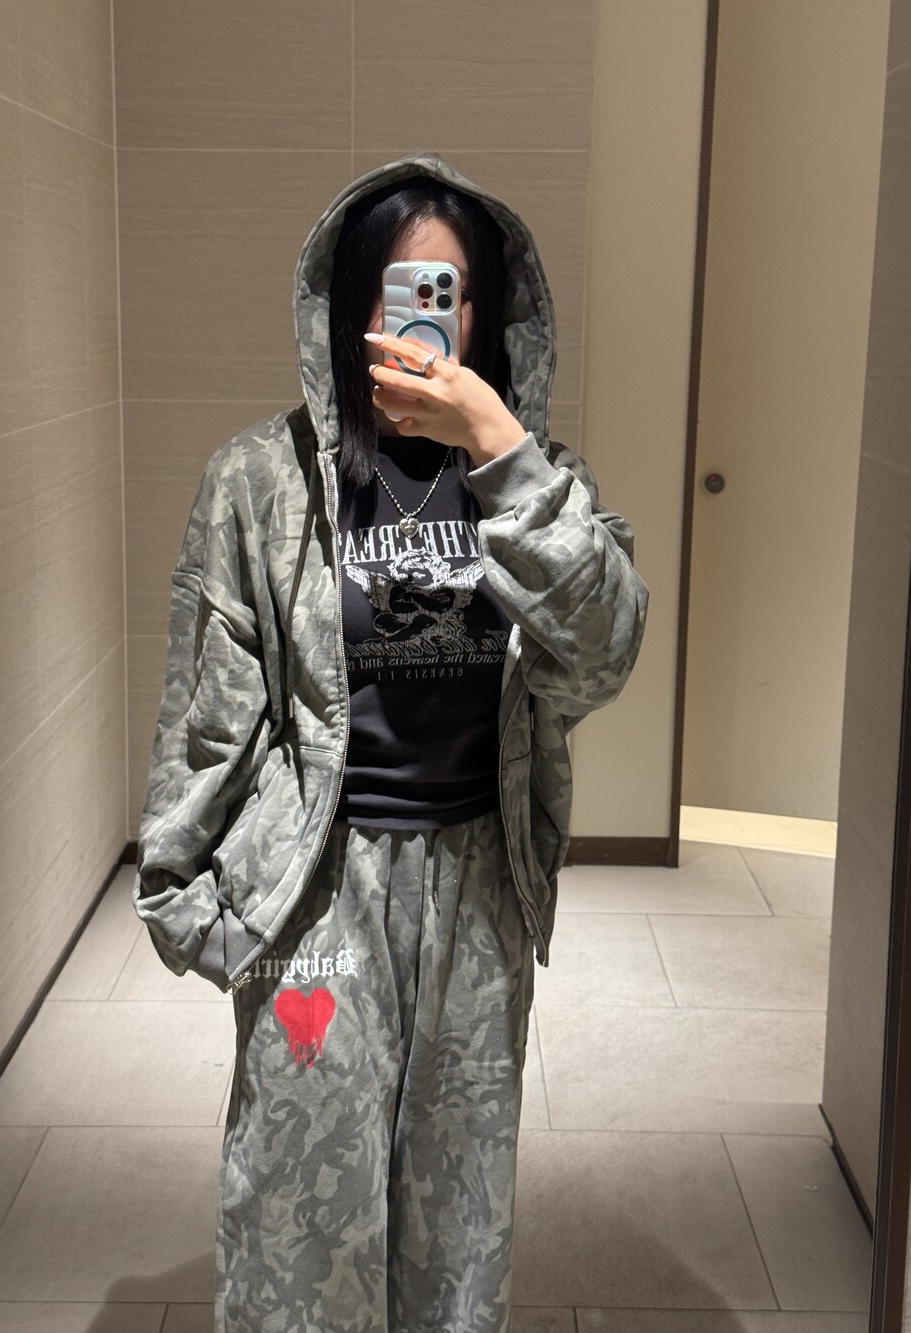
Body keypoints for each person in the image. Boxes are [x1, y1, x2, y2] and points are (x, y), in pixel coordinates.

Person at [133, 151, 650, 1333]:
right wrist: (185, 893)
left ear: (485, 313)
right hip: (319, 893)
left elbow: (603, 654)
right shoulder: (262, 481)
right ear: (348, 308)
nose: (423, 319)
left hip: (477, 886)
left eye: (449, 293)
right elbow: (208, 708)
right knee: (299, 1208)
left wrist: (502, 454)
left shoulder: (538, 484)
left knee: (457, 1213)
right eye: (396, 290)